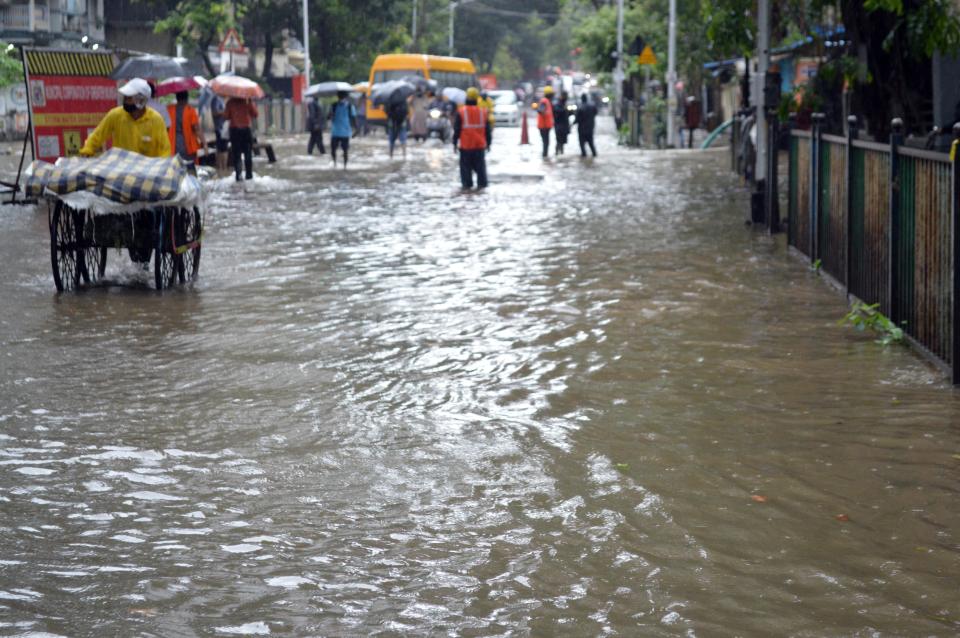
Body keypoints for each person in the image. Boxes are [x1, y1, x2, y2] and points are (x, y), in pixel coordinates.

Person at [79, 78, 170, 158]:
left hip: (145, 172)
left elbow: (165, 150)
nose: (125, 101)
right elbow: (97, 136)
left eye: (129, 99)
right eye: (125, 98)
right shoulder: (115, 115)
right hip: (120, 169)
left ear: (141, 101)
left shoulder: (156, 120)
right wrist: (87, 150)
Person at [452, 87, 492, 190]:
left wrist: (454, 143)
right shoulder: (483, 112)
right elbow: (488, 130)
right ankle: (481, 191)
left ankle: (467, 190)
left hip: (466, 147)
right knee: (481, 174)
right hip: (479, 146)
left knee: (466, 176)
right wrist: (489, 143)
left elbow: (457, 130)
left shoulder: (461, 112)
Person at [167, 91, 205, 172]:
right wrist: (204, 144)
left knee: (176, 169)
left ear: (177, 98)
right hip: (188, 147)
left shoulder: (169, 109)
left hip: (173, 145)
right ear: (187, 98)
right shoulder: (190, 110)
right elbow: (197, 129)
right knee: (190, 169)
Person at [224, 96, 259, 181]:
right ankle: (249, 175)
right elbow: (255, 114)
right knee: (248, 154)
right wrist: (250, 102)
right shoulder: (247, 102)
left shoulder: (230, 102)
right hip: (246, 130)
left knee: (237, 155)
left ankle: (238, 175)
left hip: (235, 130)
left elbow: (226, 116)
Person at [328, 90, 357, 168]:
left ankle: (344, 166)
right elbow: (328, 117)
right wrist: (356, 130)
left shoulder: (350, 106)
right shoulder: (333, 106)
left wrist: (356, 130)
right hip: (337, 132)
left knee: (344, 150)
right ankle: (336, 164)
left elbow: (353, 118)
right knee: (334, 149)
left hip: (343, 132)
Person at [210, 92, 229, 174]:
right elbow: (215, 113)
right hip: (220, 128)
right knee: (223, 149)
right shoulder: (216, 99)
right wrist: (225, 112)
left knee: (221, 148)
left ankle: (221, 168)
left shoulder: (222, 100)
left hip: (223, 128)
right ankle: (223, 168)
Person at [574, 93, 598, 157]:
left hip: (582, 129)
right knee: (591, 143)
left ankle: (584, 155)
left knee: (582, 144)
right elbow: (595, 113)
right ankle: (594, 154)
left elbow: (577, 119)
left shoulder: (580, 108)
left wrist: (571, 125)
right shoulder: (592, 106)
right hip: (590, 128)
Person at [537, 85, 555, 158]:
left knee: (546, 143)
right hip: (543, 126)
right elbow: (540, 110)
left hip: (545, 126)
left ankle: (545, 157)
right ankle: (544, 156)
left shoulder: (547, 101)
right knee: (546, 143)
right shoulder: (544, 101)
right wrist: (544, 113)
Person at [553, 91, 571, 155]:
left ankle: (561, 154)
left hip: (564, 126)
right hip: (559, 126)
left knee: (562, 142)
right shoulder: (558, 104)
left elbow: (568, 115)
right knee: (559, 141)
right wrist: (565, 110)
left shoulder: (564, 104)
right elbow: (557, 112)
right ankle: (557, 154)